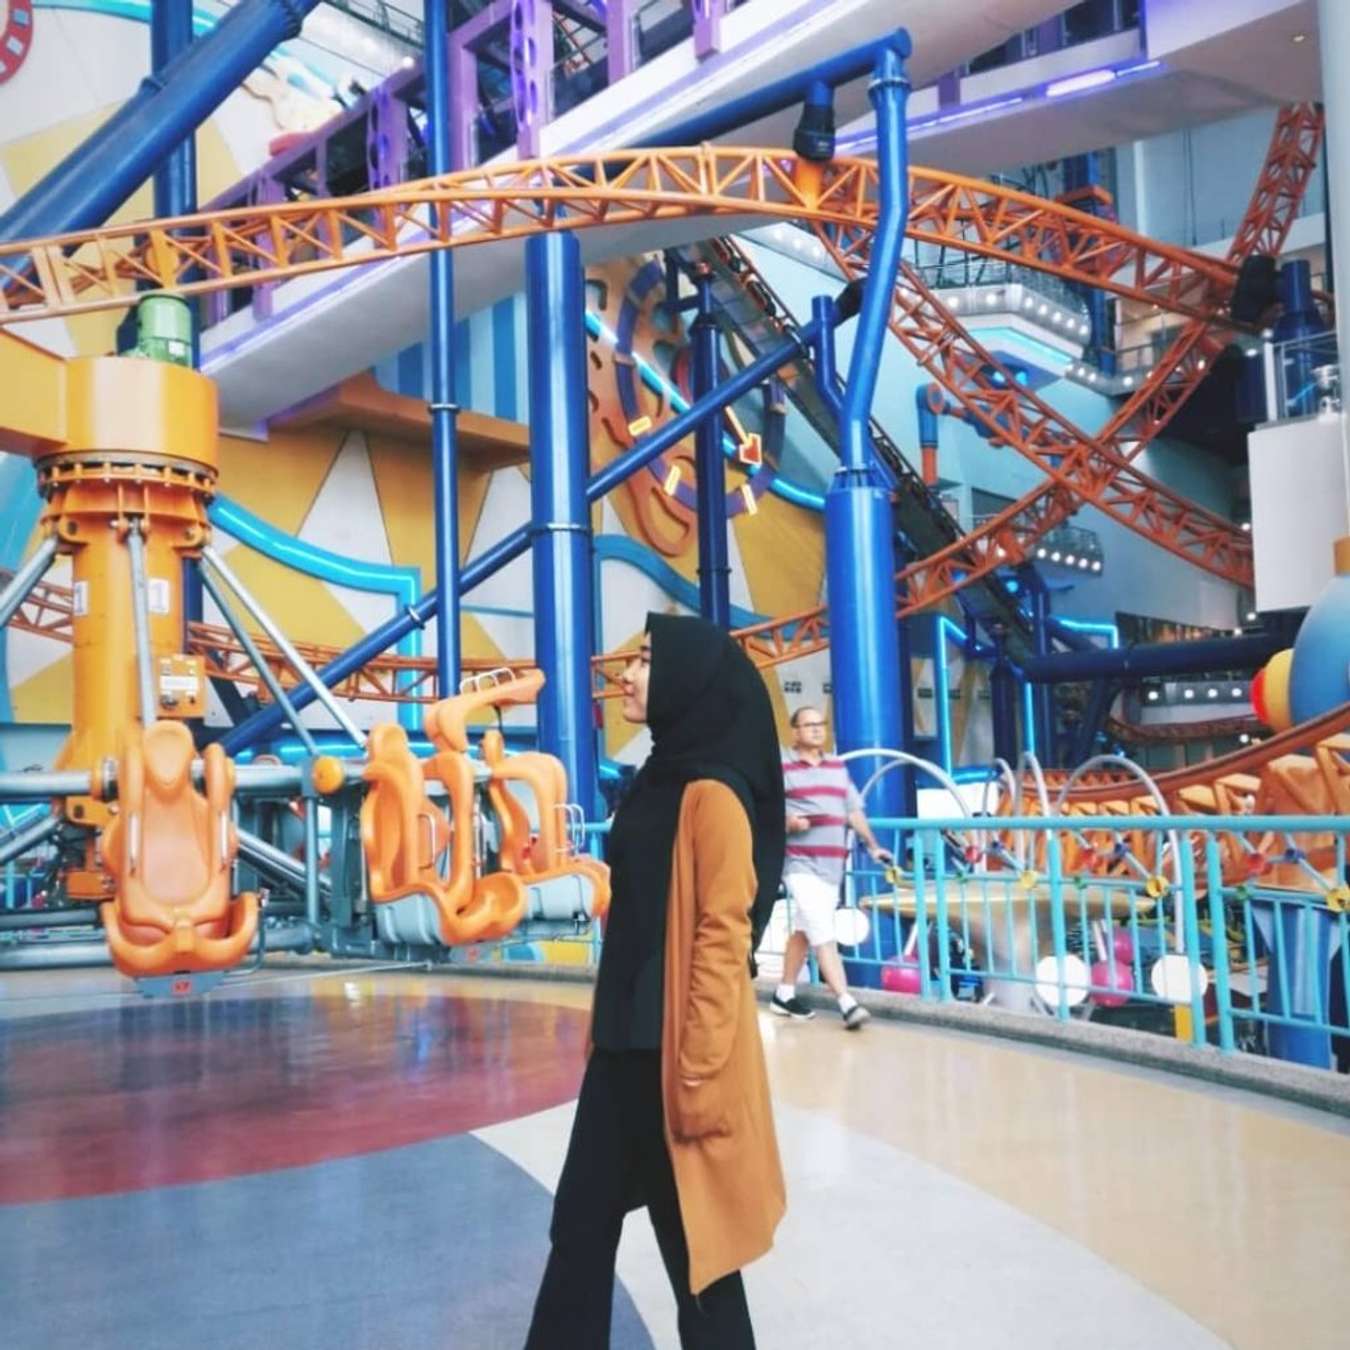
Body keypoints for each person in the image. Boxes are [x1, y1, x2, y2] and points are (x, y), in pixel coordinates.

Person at [525, 614, 787, 1350]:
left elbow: (721, 934)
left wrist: (699, 1070)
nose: (629, 673)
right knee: (579, 1225)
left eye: (645, 661)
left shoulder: (714, 794)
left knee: (698, 1259)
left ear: (687, 679)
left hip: (675, 1057)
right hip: (624, 1049)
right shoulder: (659, 773)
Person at [772, 705, 893, 1029]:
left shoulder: (837, 768)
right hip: (799, 864)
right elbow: (765, 809)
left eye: (820, 724)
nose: (815, 730)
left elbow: (853, 811)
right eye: (808, 725)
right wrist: (788, 822)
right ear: (795, 732)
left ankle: (783, 993)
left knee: (804, 929)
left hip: (831, 866)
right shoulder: (782, 766)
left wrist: (873, 845)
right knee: (823, 934)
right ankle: (847, 1002)